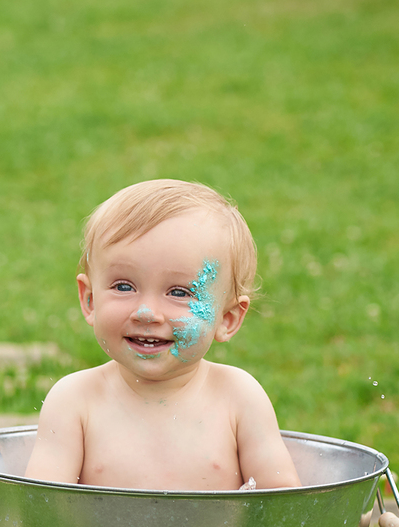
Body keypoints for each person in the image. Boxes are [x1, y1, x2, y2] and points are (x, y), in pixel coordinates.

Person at [24, 179, 301, 491]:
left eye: (179, 292)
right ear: (90, 300)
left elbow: (284, 504)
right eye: (124, 287)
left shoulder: (238, 398)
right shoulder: (75, 401)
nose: (147, 312)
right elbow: (40, 507)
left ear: (227, 318)